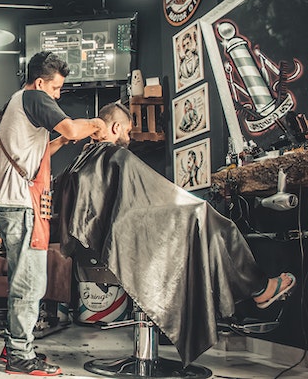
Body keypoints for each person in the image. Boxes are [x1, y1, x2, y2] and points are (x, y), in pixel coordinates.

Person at [55, 102, 296, 366]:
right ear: (115, 127)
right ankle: (259, 288)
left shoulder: (82, 161)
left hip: (100, 250)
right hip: (132, 245)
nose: (129, 136)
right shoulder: (117, 156)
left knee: (205, 228)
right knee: (214, 224)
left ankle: (251, 292)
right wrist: (194, 209)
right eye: (127, 129)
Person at [0, 51, 106, 376]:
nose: (57, 95)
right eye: (56, 89)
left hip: (12, 202)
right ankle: (20, 356)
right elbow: (70, 128)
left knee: (22, 279)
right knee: (30, 284)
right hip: (22, 204)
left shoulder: (15, 103)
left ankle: (13, 344)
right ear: (41, 82)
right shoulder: (33, 97)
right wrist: (95, 124)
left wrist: (67, 141)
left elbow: (41, 149)